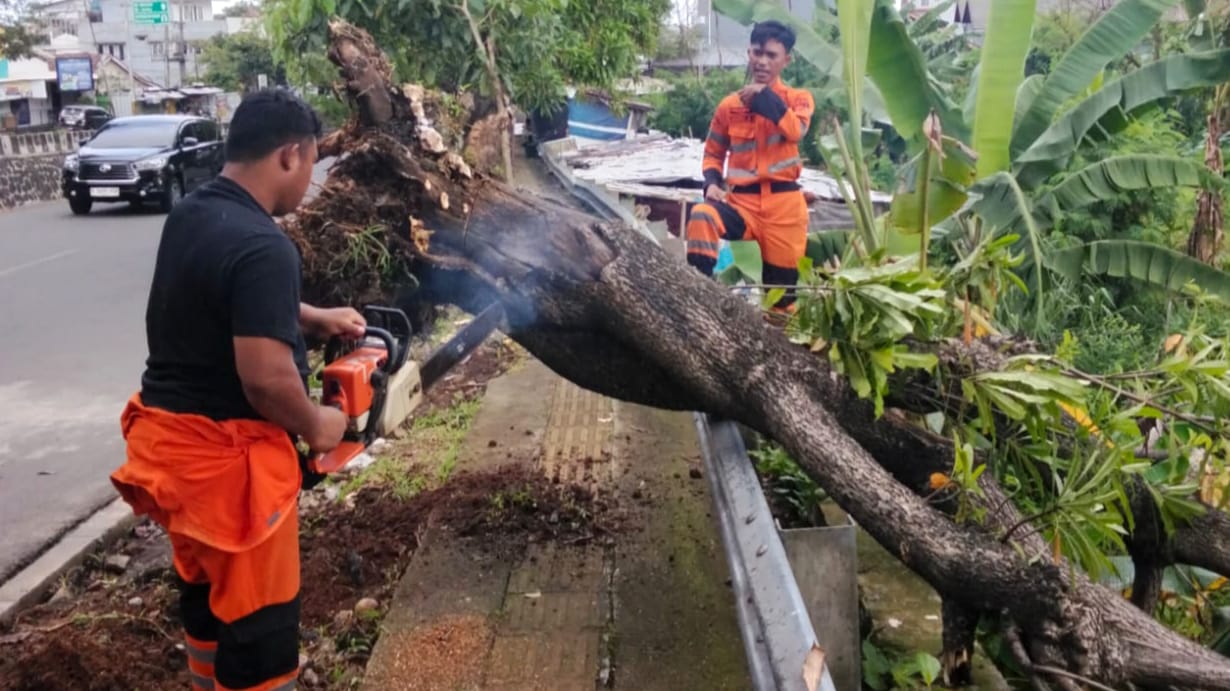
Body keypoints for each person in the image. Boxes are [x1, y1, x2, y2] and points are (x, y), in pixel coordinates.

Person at [110, 88, 364, 691]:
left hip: (171, 458)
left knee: (206, 609)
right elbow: (267, 381)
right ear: (289, 155)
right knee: (259, 637)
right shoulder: (265, 246)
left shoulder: (193, 213)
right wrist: (321, 426)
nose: (309, 180)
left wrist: (310, 316)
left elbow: (220, 293)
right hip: (233, 482)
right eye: (311, 163)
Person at [685, 20, 815, 312]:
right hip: (742, 205)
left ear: (786, 60)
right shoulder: (729, 106)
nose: (762, 61)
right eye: (758, 53)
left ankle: (779, 337)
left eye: (771, 55)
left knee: (782, 304)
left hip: (784, 209)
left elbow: (796, 131)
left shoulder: (799, 99)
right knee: (702, 214)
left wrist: (763, 96)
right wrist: (712, 183)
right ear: (749, 53)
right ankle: (697, 299)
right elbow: (713, 153)